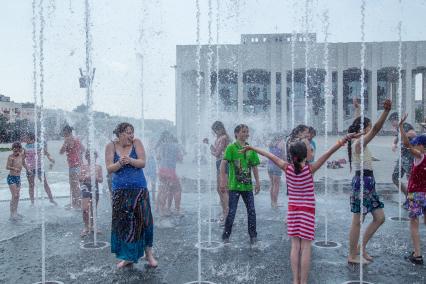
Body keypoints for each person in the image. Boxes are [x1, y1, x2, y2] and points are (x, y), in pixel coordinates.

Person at [241, 133, 356, 284]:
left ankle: (295, 280)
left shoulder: (286, 168)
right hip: (307, 211)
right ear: (305, 155)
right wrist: (344, 139)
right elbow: (329, 152)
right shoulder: (310, 169)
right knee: (306, 246)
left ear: (291, 155)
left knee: (295, 246)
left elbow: (268, 155)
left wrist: (251, 147)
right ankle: (304, 281)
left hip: (293, 211)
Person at [105, 122, 157, 268]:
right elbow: (109, 168)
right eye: (128, 132)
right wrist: (120, 163)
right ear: (120, 133)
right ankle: (128, 257)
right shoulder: (110, 146)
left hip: (139, 189)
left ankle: (149, 255)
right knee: (124, 224)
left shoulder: (136, 143)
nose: (131, 135)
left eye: (132, 132)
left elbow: (142, 162)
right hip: (119, 190)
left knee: (145, 221)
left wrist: (130, 160)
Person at [346, 99, 392, 264]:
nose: (370, 129)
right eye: (368, 126)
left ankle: (361, 248)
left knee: (379, 218)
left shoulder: (356, 139)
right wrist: (385, 112)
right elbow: (377, 129)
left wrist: (357, 109)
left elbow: (356, 123)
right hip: (362, 182)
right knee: (358, 220)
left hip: (367, 182)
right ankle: (351, 255)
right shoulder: (359, 142)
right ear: (364, 129)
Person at [219, 124, 260, 245]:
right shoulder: (231, 148)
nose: (246, 134)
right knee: (232, 211)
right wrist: (223, 180)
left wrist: (257, 182)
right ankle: (226, 235)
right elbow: (223, 164)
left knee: (251, 211)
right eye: (243, 132)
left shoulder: (250, 149)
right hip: (234, 187)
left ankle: (253, 235)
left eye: (247, 132)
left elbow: (254, 166)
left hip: (247, 187)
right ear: (236, 133)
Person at [399, 114, 426, 265]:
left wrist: (401, 127)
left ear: (421, 146)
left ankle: (417, 254)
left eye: (417, 144)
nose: (414, 146)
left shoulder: (420, 156)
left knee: (414, 224)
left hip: (416, 195)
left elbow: (406, 144)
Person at [205, 121, 230, 222]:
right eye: (214, 131)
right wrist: (208, 144)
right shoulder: (219, 138)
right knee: (219, 189)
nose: (215, 132)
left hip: (223, 163)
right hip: (219, 163)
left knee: (223, 189)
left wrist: (210, 148)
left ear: (220, 128)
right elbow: (216, 151)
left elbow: (217, 153)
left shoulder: (223, 138)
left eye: (215, 130)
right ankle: (224, 210)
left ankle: (227, 213)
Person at [24, 133, 57, 206]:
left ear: (32, 139)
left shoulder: (38, 145)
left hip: (39, 168)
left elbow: (46, 153)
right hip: (30, 169)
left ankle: (51, 199)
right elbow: (23, 158)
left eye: (27, 138)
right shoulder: (25, 147)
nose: (25, 139)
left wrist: (50, 158)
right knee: (31, 185)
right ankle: (32, 202)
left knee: (45, 184)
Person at [388, 112, 417, 195]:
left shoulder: (405, 125)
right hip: (402, 156)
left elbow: (414, 134)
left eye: (392, 121)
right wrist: (394, 143)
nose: (391, 123)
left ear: (397, 120)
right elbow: (397, 136)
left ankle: (413, 199)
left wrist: (403, 135)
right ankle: (407, 195)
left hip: (409, 156)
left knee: (410, 178)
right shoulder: (398, 128)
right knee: (395, 177)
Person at [155, 131, 183, 216]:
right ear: (170, 137)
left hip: (162, 171)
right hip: (170, 171)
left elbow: (158, 157)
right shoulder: (175, 146)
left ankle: (159, 209)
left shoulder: (161, 146)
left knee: (162, 190)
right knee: (177, 189)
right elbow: (180, 158)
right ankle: (176, 210)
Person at [60, 125, 84, 209]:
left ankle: (76, 204)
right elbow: (83, 149)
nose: (63, 134)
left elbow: (61, 151)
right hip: (79, 165)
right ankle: (76, 202)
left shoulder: (68, 139)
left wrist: (65, 144)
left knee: (74, 186)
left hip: (74, 166)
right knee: (77, 185)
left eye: (64, 133)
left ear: (67, 132)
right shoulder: (77, 139)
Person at [80, 150, 103, 237]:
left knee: (93, 208)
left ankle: (93, 226)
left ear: (96, 157)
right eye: (89, 156)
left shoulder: (98, 167)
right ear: (86, 157)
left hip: (95, 188)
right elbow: (80, 179)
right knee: (85, 209)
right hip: (85, 187)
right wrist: (85, 177)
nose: (91, 158)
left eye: (93, 156)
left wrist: (96, 177)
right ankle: (86, 227)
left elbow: (101, 180)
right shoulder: (83, 166)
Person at [6, 142, 27, 221]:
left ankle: (15, 212)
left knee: (17, 196)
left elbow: (24, 164)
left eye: (18, 148)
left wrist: (28, 169)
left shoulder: (21, 156)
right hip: (11, 177)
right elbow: (7, 167)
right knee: (14, 195)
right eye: (14, 149)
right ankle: (12, 214)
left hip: (18, 178)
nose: (16, 150)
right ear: (12, 149)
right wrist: (14, 169)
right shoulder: (10, 157)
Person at [267, 133, 285, 209]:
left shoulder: (271, 143)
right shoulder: (282, 143)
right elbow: (283, 156)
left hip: (269, 165)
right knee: (276, 185)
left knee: (272, 184)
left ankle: (272, 202)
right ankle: (275, 203)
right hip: (277, 165)